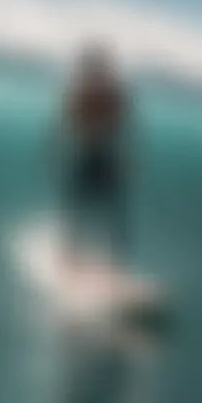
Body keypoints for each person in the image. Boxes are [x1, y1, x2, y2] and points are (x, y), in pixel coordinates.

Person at [55, 40, 132, 266]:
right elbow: (68, 122)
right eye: (93, 66)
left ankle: (116, 267)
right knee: (77, 209)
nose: (96, 71)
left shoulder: (112, 93)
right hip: (86, 154)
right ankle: (69, 261)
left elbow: (122, 125)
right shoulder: (81, 92)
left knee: (115, 213)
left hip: (105, 156)